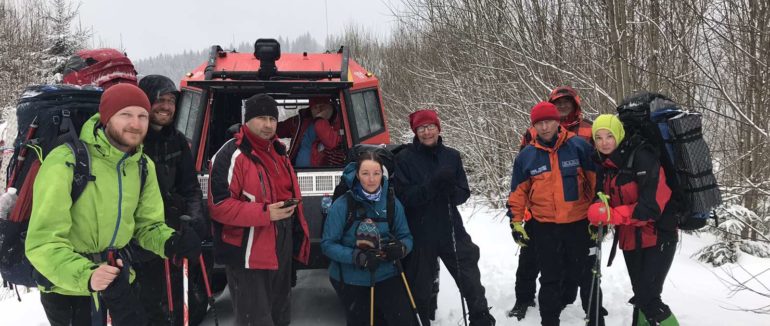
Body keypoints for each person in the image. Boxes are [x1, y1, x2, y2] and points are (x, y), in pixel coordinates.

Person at [25, 83, 202, 326]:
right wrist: (88, 275)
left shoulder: (142, 165)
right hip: (69, 291)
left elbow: (147, 226)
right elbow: (43, 242)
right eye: (126, 114)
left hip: (119, 282)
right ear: (107, 118)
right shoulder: (67, 161)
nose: (136, 123)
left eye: (142, 115)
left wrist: (170, 241)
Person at [207, 94, 311, 326]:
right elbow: (219, 207)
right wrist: (265, 213)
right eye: (261, 118)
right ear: (247, 120)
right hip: (248, 250)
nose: (268, 125)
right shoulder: (231, 154)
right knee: (254, 318)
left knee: (279, 314)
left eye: (272, 119)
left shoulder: (278, 150)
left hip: (279, 240)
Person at [394, 109, 496, 326]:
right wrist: (431, 186)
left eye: (431, 126)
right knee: (419, 287)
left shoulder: (452, 156)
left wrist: (452, 191)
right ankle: (420, 321)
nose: (427, 132)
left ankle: (481, 320)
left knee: (470, 280)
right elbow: (404, 197)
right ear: (415, 131)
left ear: (438, 128)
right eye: (421, 128)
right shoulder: (404, 158)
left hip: (451, 227)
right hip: (420, 232)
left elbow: (463, 193)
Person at [507, 102, 603, 326]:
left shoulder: (579, 147)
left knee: (588, 277)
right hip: (545, 226)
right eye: (539, 123)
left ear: (557, 121)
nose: (545, 127)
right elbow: (517, 193)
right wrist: (516, 222)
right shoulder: (527, 156)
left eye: (549, 121)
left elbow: (597, 184)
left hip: (579, 224)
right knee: (550, 279)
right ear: (534, 126)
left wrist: (599, 215)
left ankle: (596, 320)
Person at [587, 114, 679, 325]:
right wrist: (596, 210)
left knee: (648, 298)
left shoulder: (642, 157)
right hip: (630, 238)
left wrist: (611, 215)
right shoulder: (605, 164)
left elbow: (652, 206)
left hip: (658, 236)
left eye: (609, 136)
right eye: (598, 137)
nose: (604, 142)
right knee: (642, 295)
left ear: (619, 134)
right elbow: (601, 197)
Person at [135, 74, 209, 325]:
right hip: (137, 240)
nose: (166, 106)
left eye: (170, 101)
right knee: (145, 304)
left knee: (180, 302)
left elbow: (190, 187)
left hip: (173, 233)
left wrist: (196, 222)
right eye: (159, 100)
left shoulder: (177, 141)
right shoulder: (132, 142)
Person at [321, 152, 415, 325]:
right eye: (365, 173)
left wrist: (401, 248)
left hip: (387, 273)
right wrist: (357, 256)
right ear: (357, 175)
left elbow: (406, 237)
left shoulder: (392, 203)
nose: (371, 179)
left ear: (382, 175)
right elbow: (327, 244)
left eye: (376, 173)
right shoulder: (342, 205)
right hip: (351, 277)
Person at [277, 97, 344, 167]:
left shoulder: (342, 123)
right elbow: (278, 129)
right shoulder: (301, 120)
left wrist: (319, 120)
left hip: (323, 174)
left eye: (322, 106)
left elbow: (332, 143)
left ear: (330, 107)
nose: (319, 110)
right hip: (295, 171)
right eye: (315, 107)